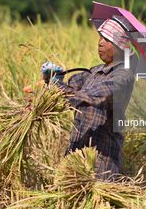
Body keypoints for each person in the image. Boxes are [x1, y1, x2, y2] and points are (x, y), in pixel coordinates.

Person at [39, 17, 137, 180]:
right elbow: (70, 85)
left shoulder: (123, 76)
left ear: (121, 46)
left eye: (107, 39)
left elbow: (95, 96)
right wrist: (52, 79)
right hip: (76, 154)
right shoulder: (94, 71)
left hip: (101, 163)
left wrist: (59, 87)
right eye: (100, 37)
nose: (100, 43)